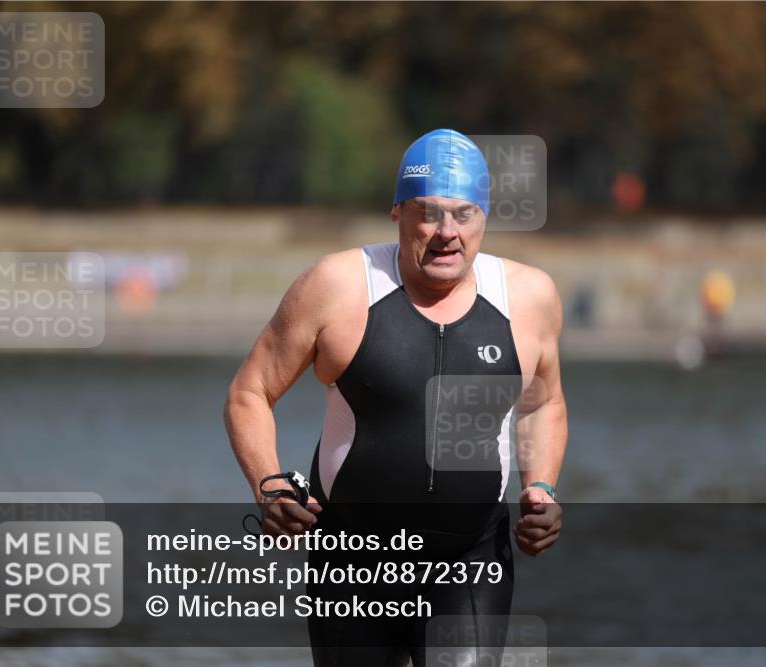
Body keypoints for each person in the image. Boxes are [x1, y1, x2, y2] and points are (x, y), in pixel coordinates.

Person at [224, 129, 568, 666]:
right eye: (428, 213)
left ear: (485, 217)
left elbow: (543, 403)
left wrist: (541, 487)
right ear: (397, 212)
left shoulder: (529, 297)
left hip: (469, 564)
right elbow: (250, 391)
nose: (446, 234)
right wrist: (268, 485)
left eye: (464, 215)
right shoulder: (337, 286)